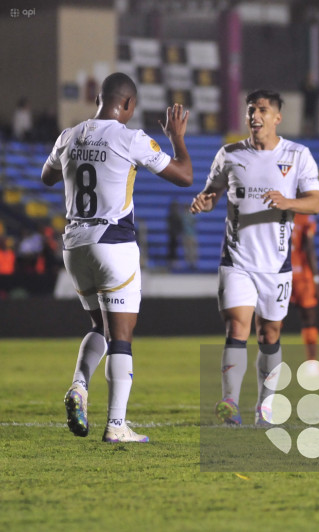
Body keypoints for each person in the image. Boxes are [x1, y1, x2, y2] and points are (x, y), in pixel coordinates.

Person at [42, 72, 193, 442]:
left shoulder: (68, 135)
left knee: (99, 327)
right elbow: (186, 176)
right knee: (121, 337)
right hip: (113, 242)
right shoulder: (131, 138)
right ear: (127, 104)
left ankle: (79, 385)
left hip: (75, 245)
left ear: (99, 98)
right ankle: (116, 425)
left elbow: (47, 177)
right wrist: (177, 139)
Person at [191, 89, 319, 426]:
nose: (255, 116)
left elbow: (316, 203)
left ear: (277, 117)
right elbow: (212, 193)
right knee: (237, 327)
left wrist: (288, 202)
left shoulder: (298, 155)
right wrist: (204, 202)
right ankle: (229, 402)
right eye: (251, 110)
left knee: (270, 335)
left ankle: (265, 406)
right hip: (237, 260)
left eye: (262, 110)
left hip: (276, 265)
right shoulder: (230, 154)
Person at [289, 213, 319, 361]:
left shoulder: (278, 211)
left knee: (272, 319)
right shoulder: (305, 216)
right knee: (309, 319)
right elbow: (309, 247)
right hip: (302, 274)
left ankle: (265, 361)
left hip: (279, 273)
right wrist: (316, 278)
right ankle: (312, 363)